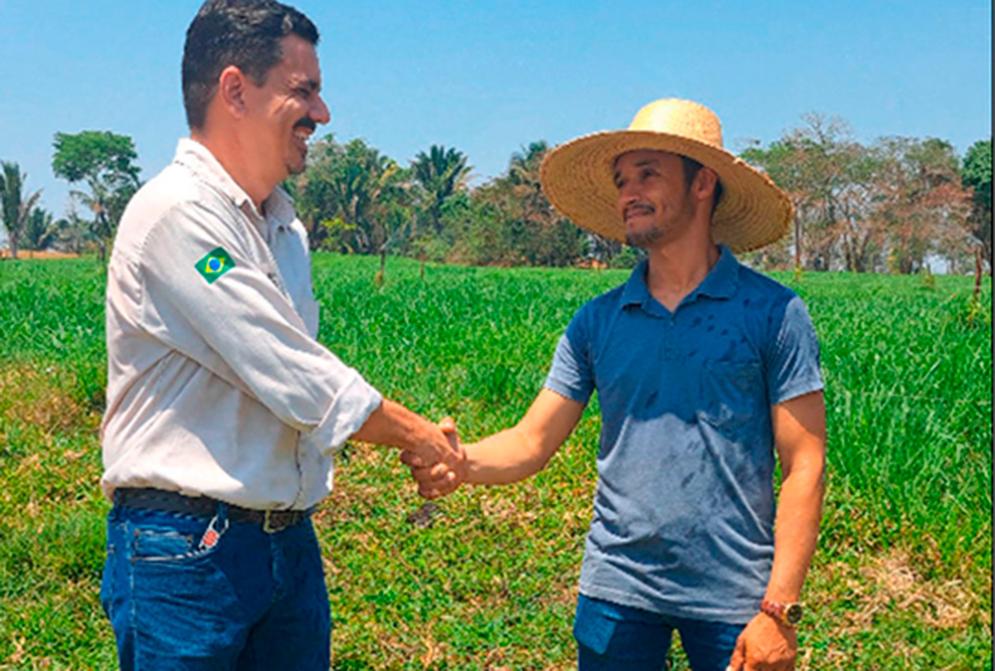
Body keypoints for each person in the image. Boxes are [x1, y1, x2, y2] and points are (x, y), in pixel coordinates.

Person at [99, 1, 462, 668]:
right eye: (304, 91)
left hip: (285, 540)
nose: (321, 113)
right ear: (236, 90)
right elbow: (292, 372)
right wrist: (417, 434)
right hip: (187, 549)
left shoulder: (283, 229)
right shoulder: (177, 215)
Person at [409, 98, 826, 671]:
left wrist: (779, 611)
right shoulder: (598, 321)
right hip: (617, 587)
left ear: (702, 183)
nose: (629, 192)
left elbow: (805, 463)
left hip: (736, 596)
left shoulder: (773, 313)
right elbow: (532, 441)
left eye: (648, 174)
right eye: (622, 180)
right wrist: (463, 463)